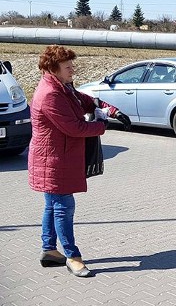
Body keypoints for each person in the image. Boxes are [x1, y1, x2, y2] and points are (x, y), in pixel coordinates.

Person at [29, 44, 131, 278]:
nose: (72, 69)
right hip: (53, 160)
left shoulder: (61, 87)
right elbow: (74, 128)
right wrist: (102, 125)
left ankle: (49, 251)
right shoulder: (50, 94)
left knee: (52, 205)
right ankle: (72, 257)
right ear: (54, 69)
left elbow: (83, 100)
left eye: (71, 65)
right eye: (68, 67)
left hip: (57, 157)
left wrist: (110, 110)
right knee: (64, 207)